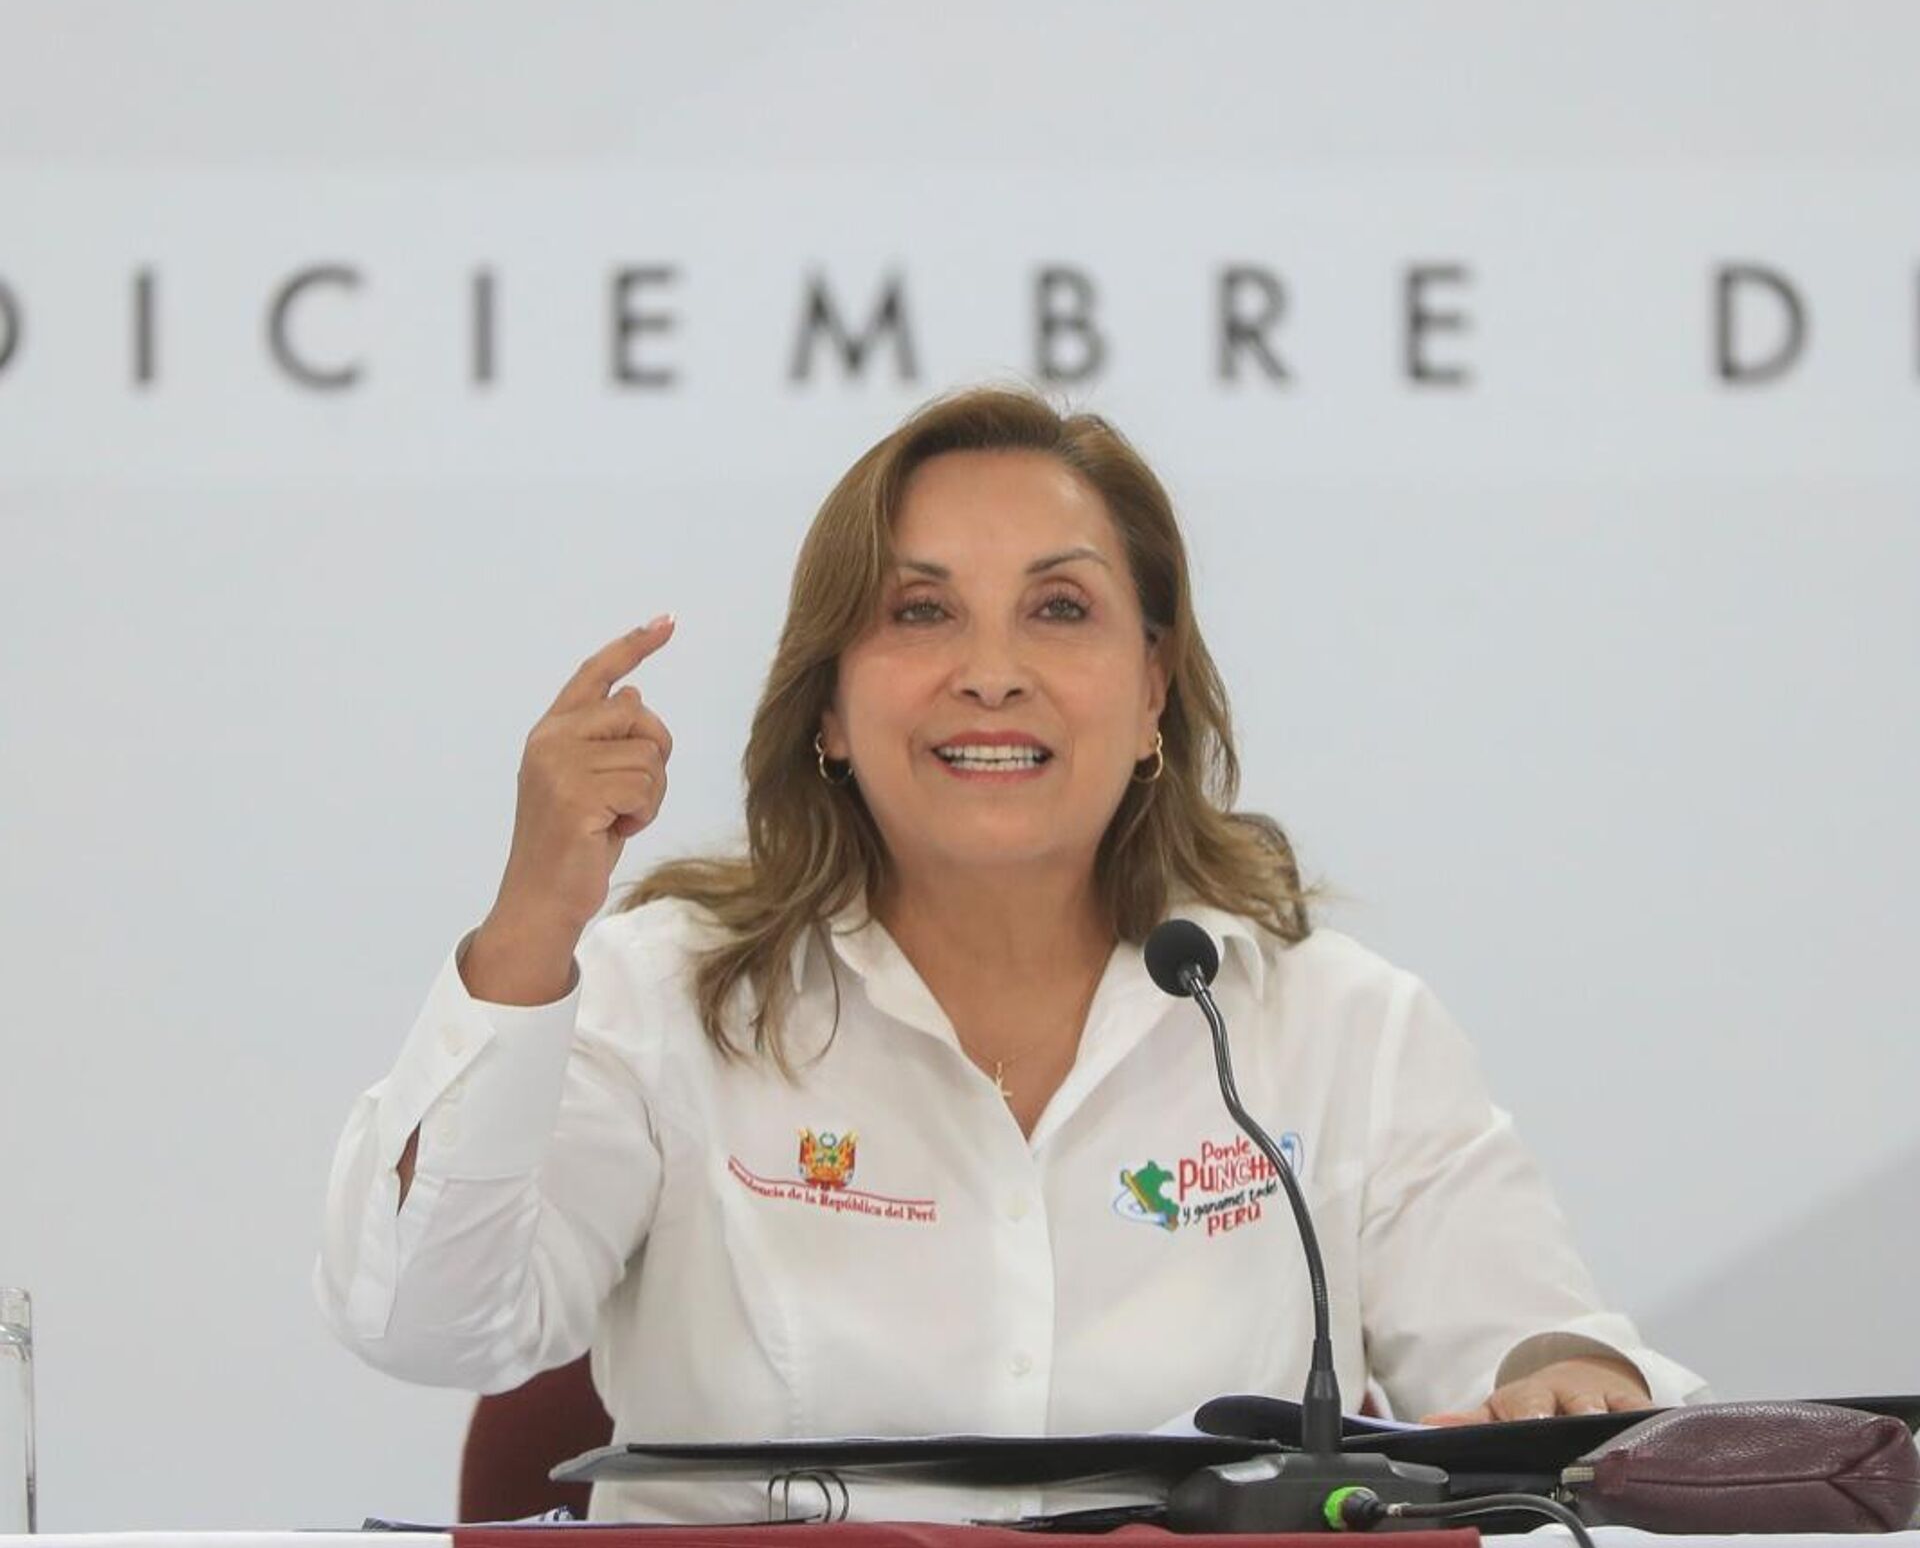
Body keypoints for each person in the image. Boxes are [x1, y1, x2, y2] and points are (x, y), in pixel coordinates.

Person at [316, 385, 1703, 1522]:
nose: (992, 670)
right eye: (921, 611)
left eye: (1059, 608)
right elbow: (423, 1321)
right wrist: (532, 923)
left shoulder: (1329, 1024)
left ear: (1153, 686)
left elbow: (1540, 1351)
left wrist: (1562, 1374)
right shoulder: (665, 992)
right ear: (830, 706)